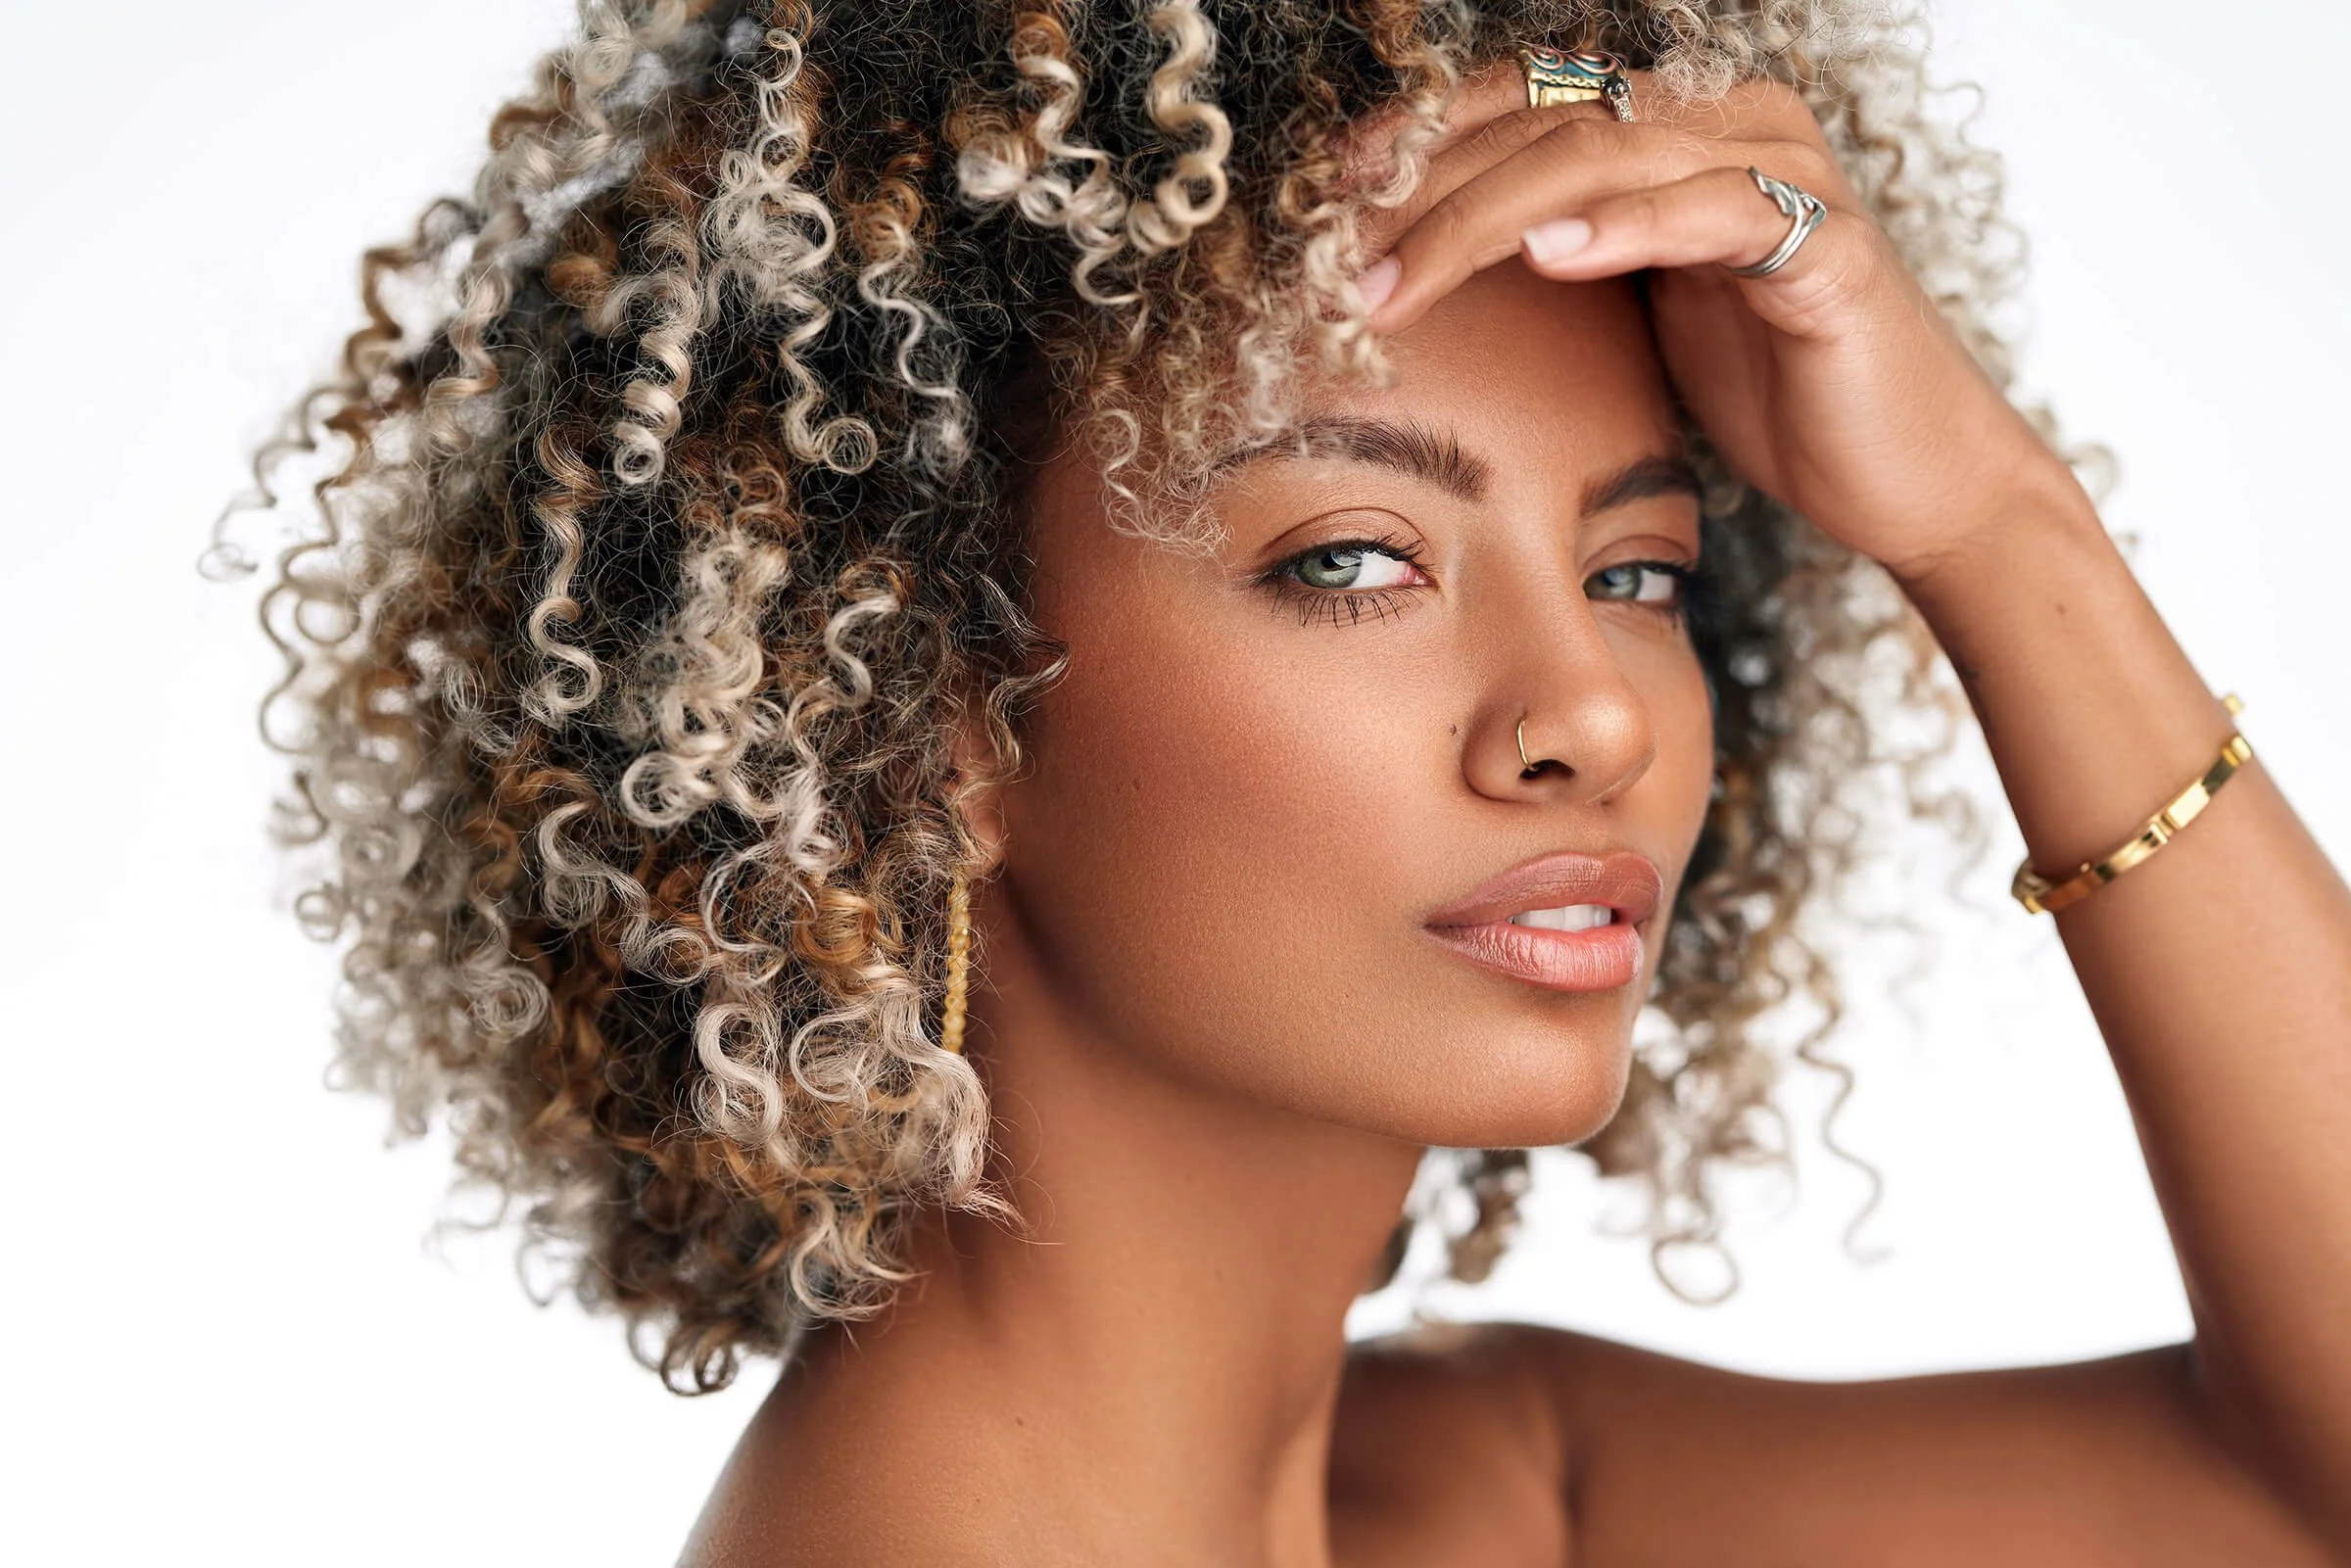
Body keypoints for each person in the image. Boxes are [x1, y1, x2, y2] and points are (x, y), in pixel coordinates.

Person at [228, 0, 2351, 1560]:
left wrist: (1989, 519)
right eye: (1353, 559)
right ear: (926, 716)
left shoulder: (1473, 1491)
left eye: (1638, 568)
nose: (1593, 715)